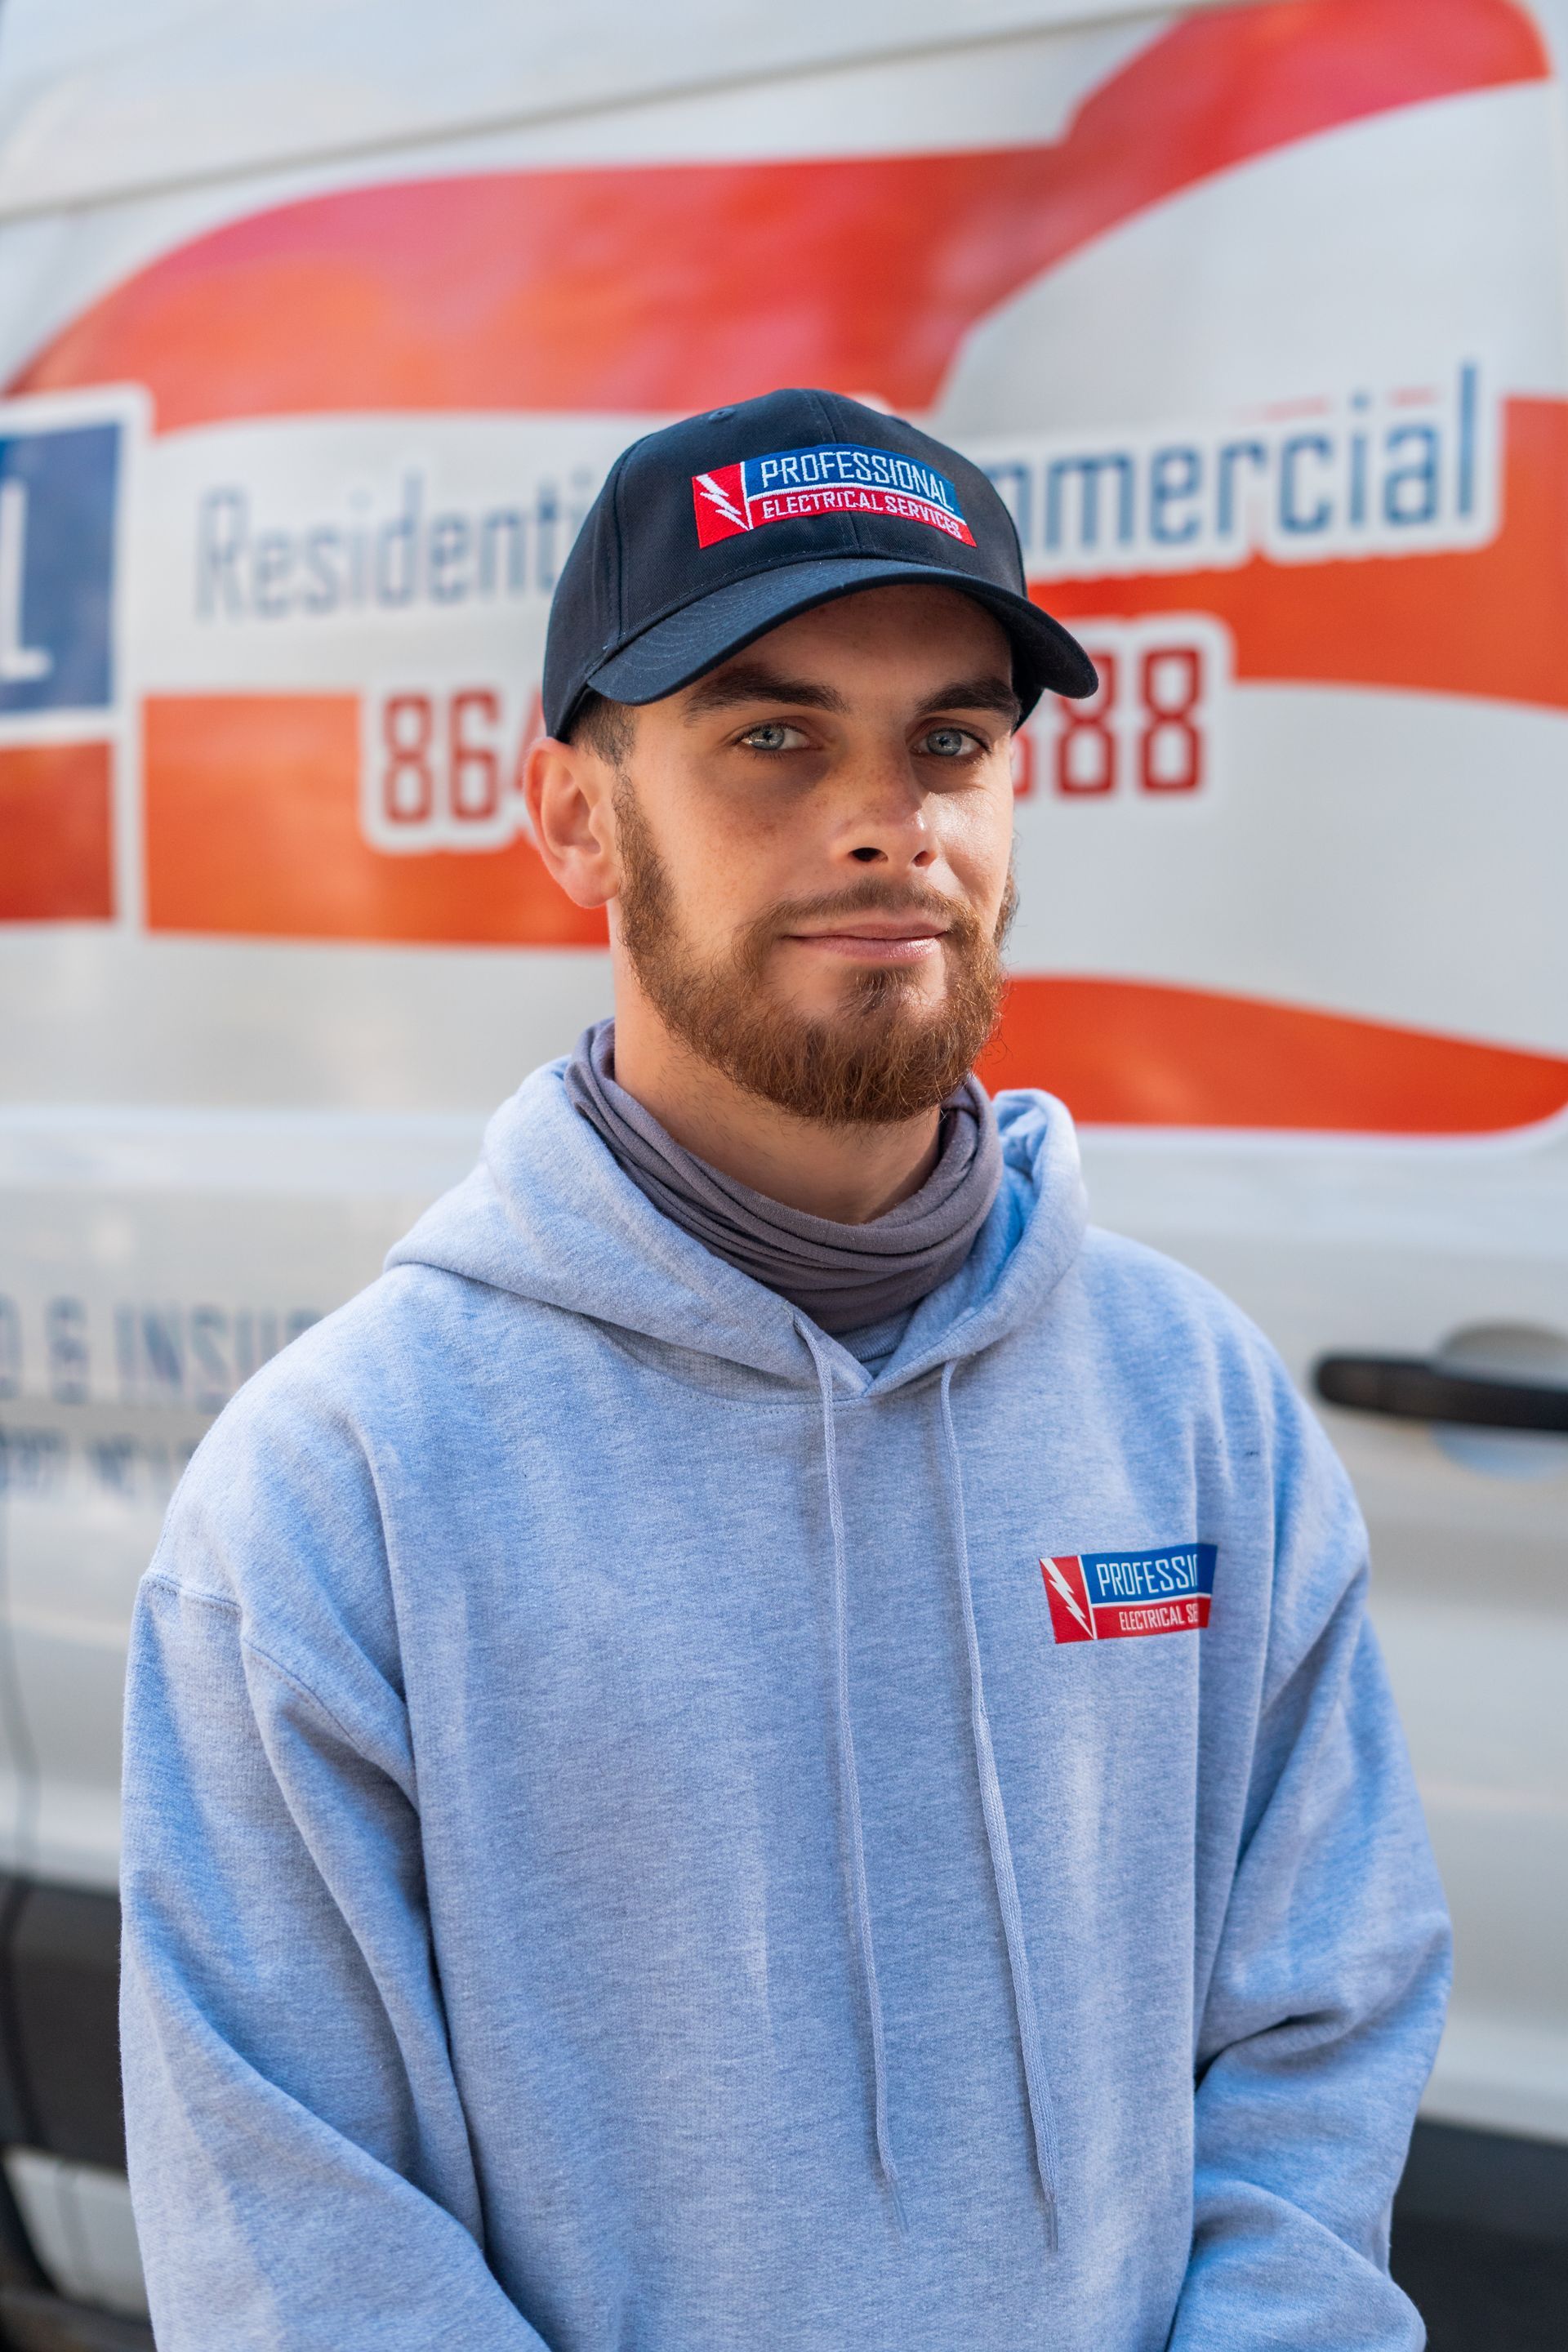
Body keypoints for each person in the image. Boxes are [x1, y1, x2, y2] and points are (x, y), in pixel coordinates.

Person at [120, 389, 1450, 2352]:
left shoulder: (1198, 1409)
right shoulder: (343, 1488)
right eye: (771, 736)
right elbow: (293, 2224)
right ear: (577, 814)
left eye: (952, 742)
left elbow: (1320, 2042)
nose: (883, 816)